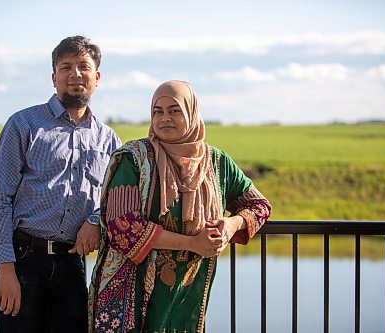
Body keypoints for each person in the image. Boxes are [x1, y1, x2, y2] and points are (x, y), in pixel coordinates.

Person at [88, 80, 271, 333]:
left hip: (186, 297)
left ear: (192, 113)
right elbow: (123, 228)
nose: (164, 118)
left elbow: (259, 205)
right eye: (157, 111)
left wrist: (231, 225)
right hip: (130, 298)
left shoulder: (217, 163)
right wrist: (193, 244)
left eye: (174, 110)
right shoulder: (134, 158)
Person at [0, 35, 121, 333]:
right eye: (66, 66)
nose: (75, 74)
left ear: (96, 77)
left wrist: (95, 219)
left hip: (72, 264)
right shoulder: (24, 124)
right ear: (53, 77)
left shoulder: (108, 140)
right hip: (22, 260)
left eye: (83, 66)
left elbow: (115, 200)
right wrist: (5, 267)